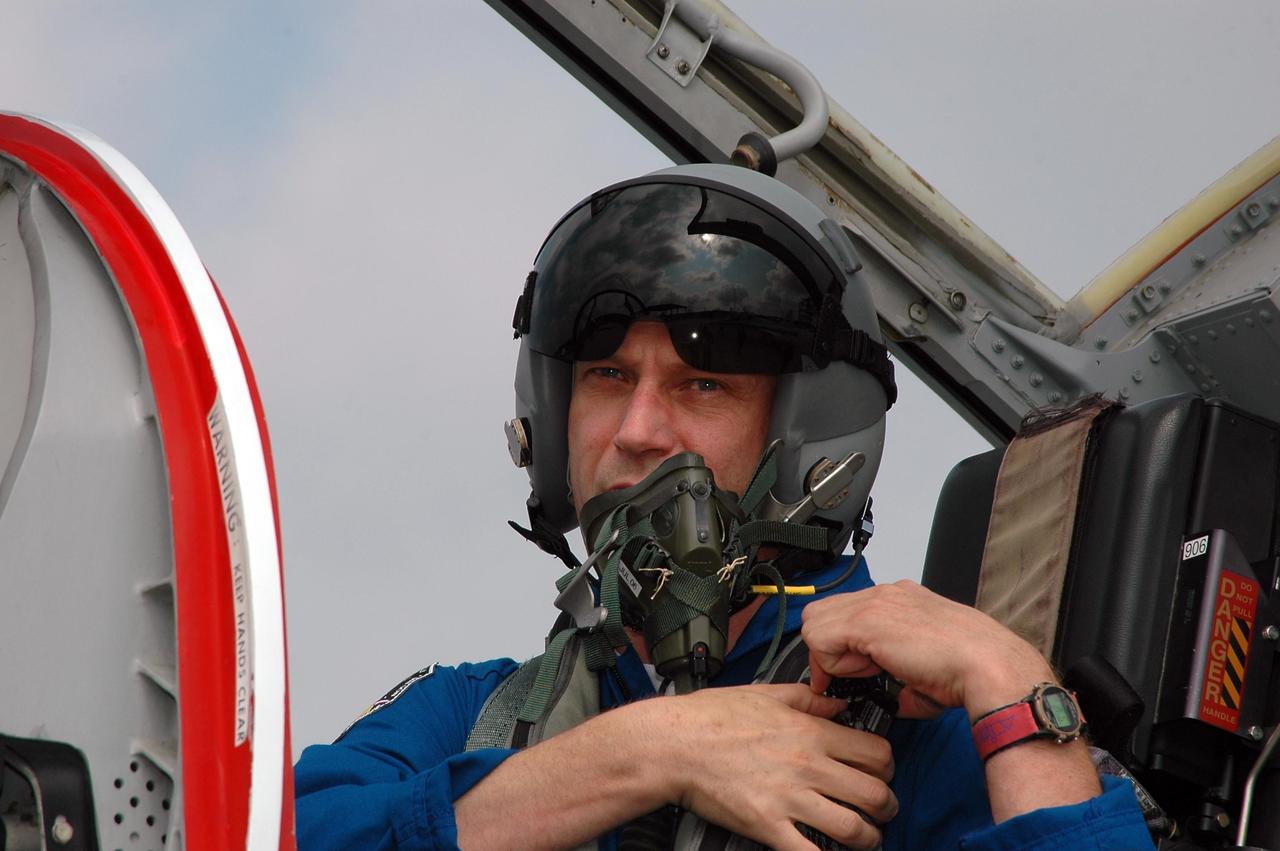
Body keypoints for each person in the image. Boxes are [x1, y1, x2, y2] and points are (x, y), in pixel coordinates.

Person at [294, 164, 1154, 850]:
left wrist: (1013, 683)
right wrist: (650, 752)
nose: (636, 430)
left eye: (702, 383)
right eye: (607, 377)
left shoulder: (929, 734)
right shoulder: (474, 716)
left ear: (807, 431)